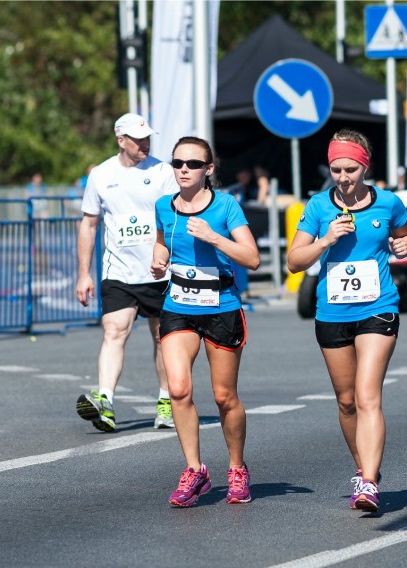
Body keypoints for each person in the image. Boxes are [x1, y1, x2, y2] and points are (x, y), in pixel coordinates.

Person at [287, 129, 407, 511]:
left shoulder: (388, 202)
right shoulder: (318, 207)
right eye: (335, 169)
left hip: (378, 307)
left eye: (350, 169)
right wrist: (325, 240)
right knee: (346, 402)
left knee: (366, 395)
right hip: (332, 312)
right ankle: (365, 471)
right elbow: (294, 262)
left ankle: (368, 483)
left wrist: (403, 244)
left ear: (365, 166)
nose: (342, 178)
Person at [151, 136, 259, 507]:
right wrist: (159, 259)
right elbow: (163, 241)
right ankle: (194, 469)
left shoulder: (226, 205)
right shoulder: (164, 206)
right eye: (178, 162)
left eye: (193, 164)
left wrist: (214, 237)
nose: (183, 169)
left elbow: (252, 258)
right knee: (179, 389)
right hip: (178, 304)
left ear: (208, 170)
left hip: (221, 305)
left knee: (223, 397)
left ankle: (236, 468)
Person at [75, 113, 179, 432]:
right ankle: (104, 401)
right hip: (119, 271)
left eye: (148, 137)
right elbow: (89, 224)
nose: (145, 143)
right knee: (114, 330)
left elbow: (177, 217)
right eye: (138, 139)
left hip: (160, 271)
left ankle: (166, 400)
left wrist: (169, 256)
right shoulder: (101, 175)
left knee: (163, 337)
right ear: (121, 140)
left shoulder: (163, 172)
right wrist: (83, 274)